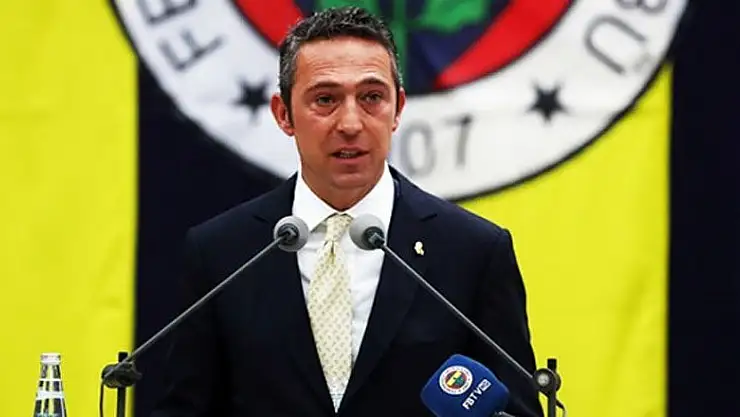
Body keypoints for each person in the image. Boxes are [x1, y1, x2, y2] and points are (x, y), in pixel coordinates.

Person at [151, 6, 543, 417]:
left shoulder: (472, 252)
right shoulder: (222, 253)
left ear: (398, 108)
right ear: (284, 114)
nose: (351, 123)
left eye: (372, 97)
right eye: (325, 100)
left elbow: (514, 409)